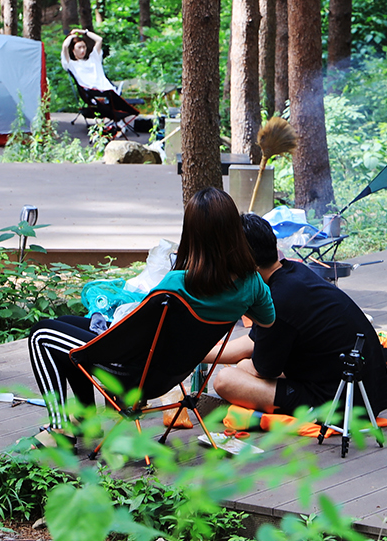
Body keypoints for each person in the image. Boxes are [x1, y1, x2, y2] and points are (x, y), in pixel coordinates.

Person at [26, 187, 273, 441]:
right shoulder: (251, 283)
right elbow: (267, 319)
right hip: (169, 374)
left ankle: (59, 429)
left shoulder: (176, 285)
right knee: (65, 323)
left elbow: (135, 333)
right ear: (234, 233)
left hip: (132, 374)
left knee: (41, 334)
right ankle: (87, 418)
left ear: (191, 234)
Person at [208, 214, 387, 418]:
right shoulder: (292, 273)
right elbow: (254, 342)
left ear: (245, 265)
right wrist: (197, 355)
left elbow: (263, 370)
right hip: (367, 392)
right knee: (243, 366)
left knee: (225, 380)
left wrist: (242, 365)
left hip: (340, 403)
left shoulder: (279, 300)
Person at [60, 29, 116, 93]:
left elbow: (99, 39)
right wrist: (71, 36)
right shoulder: (71, 64)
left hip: (108, 90)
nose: (82, 50)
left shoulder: (94, 58)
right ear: (73, 50)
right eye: (79, 47)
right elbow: (65, 46)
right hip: (92, 93)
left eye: (84, 47)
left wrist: (84, 32)